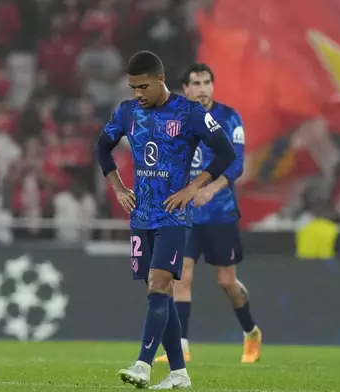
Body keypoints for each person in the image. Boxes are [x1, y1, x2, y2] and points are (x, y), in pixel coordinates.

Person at [95, 52, 236, 389]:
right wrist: (117, 188)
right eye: (132, 87)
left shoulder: (189, 112)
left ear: (161, 79)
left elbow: (226, 152)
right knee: (160, 293)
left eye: (143, 86)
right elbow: (102, 147)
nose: (138, 93)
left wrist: (193, 187)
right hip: (140, 214)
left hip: (172, 215)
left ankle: (143, 365)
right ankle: (179, 374)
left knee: (159, 286)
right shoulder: (128, 112)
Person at [154, 63, 262, 364]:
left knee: (226, 282)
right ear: (185, 89)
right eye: (196, 83)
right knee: (182, 276)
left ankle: (250, 331)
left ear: (213, 86)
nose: (202, 88)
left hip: (220, 214)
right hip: (186, 215)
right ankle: (182, 348)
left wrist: (210, 190)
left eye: (206, 82)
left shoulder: (229, 118)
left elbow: (236, 164)